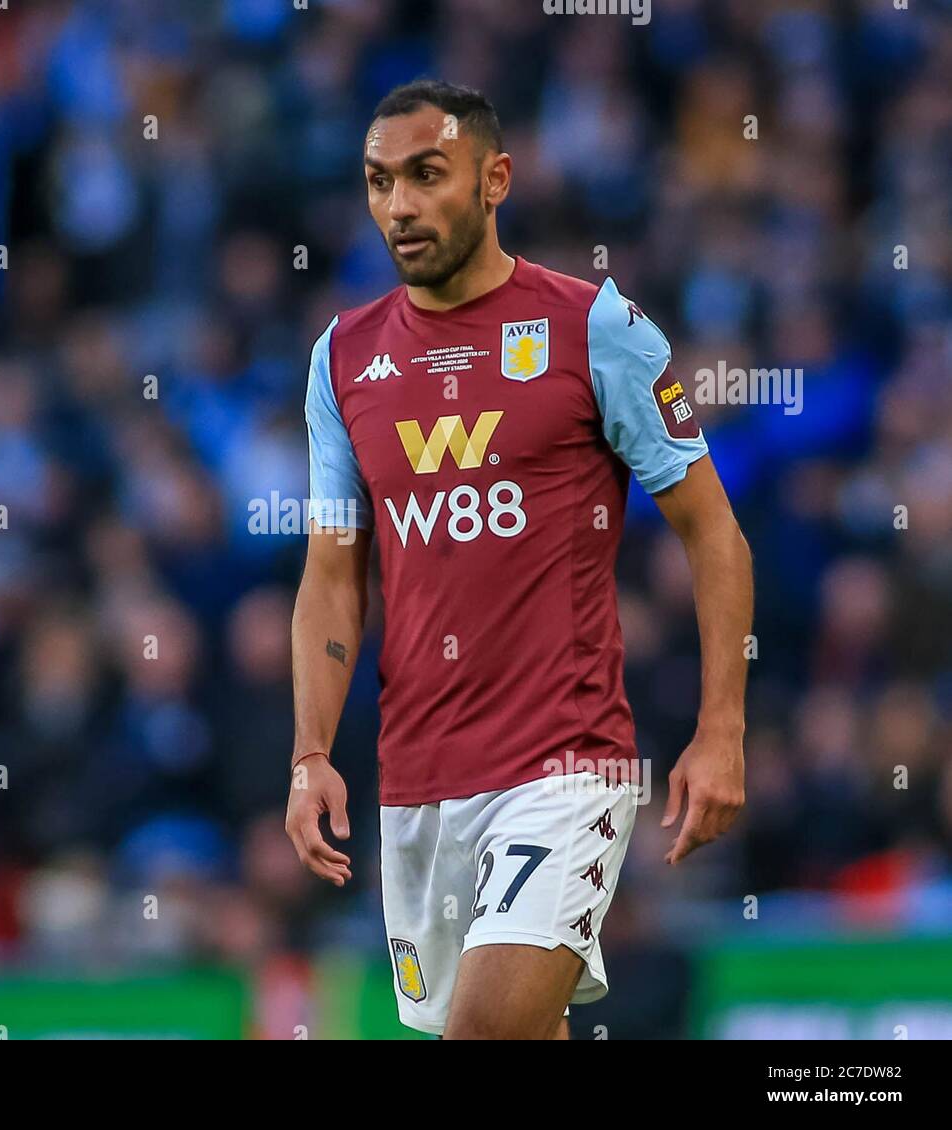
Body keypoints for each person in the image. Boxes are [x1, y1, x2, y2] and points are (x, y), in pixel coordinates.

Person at [285, 80, 752, 1039]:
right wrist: (308, 754)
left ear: (495, 180)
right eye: (379, 183)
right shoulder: (342, 360)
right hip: (417, 777)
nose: (400, 207)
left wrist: (722, 729)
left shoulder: (595, 331)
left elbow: (715, 533)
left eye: (427, 175)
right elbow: (333, 573)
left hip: (564, 764)